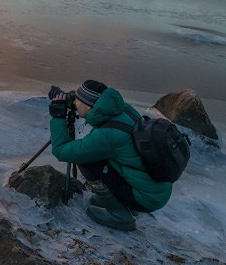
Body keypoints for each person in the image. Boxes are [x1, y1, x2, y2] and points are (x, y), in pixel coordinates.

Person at [50, 80, 172, 231]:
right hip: (157, 188)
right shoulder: (123, 110)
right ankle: (119, 201)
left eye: (77, 100)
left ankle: (120, 215)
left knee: (87, 162)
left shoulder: (108, 136)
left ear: (89, 106)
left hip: (146, 198)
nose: (74, 102)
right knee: (102, 156)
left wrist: (58, 117)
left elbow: (61, 151)